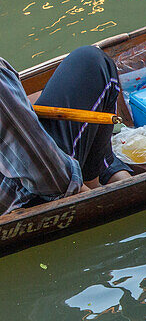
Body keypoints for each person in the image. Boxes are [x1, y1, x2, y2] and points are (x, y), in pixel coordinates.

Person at [1, 45, 131, 214]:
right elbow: (48, 175)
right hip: (21, 200)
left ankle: (108, 169)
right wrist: (97, 200)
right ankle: (98, 178)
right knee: (91, 61)